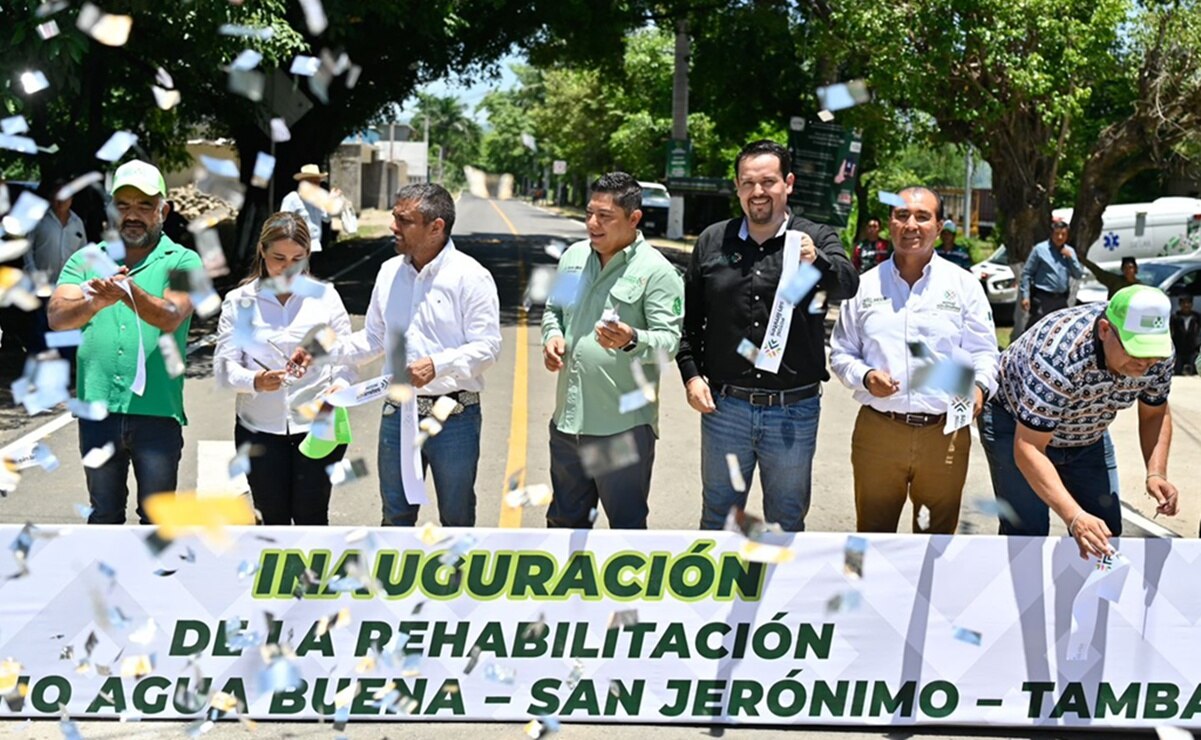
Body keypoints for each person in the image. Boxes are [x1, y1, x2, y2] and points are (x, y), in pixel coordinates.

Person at [676, 140, 859, 532]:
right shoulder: (713, 241)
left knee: (786, 521)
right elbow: (688, 322)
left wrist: (818, 262)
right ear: (738, 188)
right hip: (726, 410)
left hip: (793, 410)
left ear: (788, 183)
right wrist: (691, 376)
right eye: (748, 183)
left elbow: (846, 286)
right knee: (718, 519)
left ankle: (778, 594)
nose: (758, 192)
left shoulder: (814, 237)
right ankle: (718, 595)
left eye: (768, 181)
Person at [830, 188, 997, 533]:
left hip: (945, 434)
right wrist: (865, 376)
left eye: (922, 217)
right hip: (879, 431)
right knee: (873, 536)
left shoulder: (964, 286)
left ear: (939, 227)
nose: (911, 225)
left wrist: (979, 389)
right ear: (890, 224)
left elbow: (984, 352)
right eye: (901, 215)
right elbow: (842, 350)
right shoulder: (863, 286)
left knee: (936, 542)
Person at [48, 160, 202, 524]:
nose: (133, 215)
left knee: (158, 522)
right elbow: (56, 317)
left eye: (145, 205)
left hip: (157, 414)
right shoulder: (87, 259)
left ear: (163, 210)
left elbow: (170, 314)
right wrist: (95, 302)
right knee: (104, 516)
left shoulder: (184, 260)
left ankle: (155, 584)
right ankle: (107, 584)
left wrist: (128, 291)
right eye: (123, 205)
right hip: (98, 413)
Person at [338, 183, 500, 527]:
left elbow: (487, 347)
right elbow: (373, 339)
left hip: (453, 415)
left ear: (436, 227)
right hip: (397, 413)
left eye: (404, 220)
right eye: (395, 217)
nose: (393, 226)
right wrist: (319, 355)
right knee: (395, 515)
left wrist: (438, 365)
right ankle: (393, 582)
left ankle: (456, 580)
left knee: (456, 517)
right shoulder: (388, 273)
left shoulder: (471, 277)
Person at [978, 285, 1178, 558]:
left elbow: (1155, 412)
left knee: (1104, 533)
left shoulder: (1159, 355)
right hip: (1015, 424)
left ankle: (1089, 599)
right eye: (1136, 351)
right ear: (1105, 330)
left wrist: (1156, 472)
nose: (1146, 363)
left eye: (1152, 352)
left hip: (1087, 433)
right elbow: (1028, 449)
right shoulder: (1059, 354)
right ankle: (1027, 600)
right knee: (1028, 534)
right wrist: (1074, 517)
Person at [541, 172, 684, 529]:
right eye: (590, 213)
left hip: (619, 431)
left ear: (634, 219)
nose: (592, 223)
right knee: (564, 525)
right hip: (568, 426)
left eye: (605, 216)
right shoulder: (574, 257)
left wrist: (632, 339)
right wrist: (552, 337)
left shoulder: (656, 272)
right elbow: (554, 311)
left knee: (625, 530)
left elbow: (670, 343)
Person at [214, 212, 355, 525]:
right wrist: (256, 380)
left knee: (313, 516)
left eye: (297, 259)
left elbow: (347, 358)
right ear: (262, 251)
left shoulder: (325, 297)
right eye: (278, 258)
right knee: (271, 518)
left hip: (317, 426)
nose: (288, 268)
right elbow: (225, 369)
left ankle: (314, 576)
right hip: (259, 430)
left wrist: (341, 386)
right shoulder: (240, 302)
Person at [22, 188, 87, 354]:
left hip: (68, 287)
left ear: (71, 199)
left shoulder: (77, 222)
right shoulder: (39, 220)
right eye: (57, 198)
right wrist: (32, 271)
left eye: (65, 198)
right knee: (41, 327)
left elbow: (84, 253)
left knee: (66, 326)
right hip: (42, 284)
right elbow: (27, 248)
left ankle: (63, 364)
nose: (61, 202)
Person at [1018, 216, 1083, 329]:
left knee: (1058, 329)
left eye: (1063, 234)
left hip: (1061, 299)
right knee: (1037, 328)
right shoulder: (1040, 249)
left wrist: (1070, 258)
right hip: (1043, 297)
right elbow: (1027, 274)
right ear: (1052, 233)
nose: (1060, 237)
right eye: (1057, 233)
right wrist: (1025, 296)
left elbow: (1078, 274)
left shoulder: (1069, 251)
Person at [280, 164, 341, 253]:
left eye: (318, 182)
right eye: (314, 182)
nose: (317, 185)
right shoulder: (292, 199)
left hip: (315, 246)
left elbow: (326, 219)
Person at [1171, 295, 1199, 375]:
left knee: (1195, 372)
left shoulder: (1197, 317)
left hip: (1192, 350)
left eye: (1188, 303)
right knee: (1178, 372)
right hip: (1179, 350)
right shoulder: (1175, 318)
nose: (1186, 305)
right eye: (1184, 303)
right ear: (1180, 304)